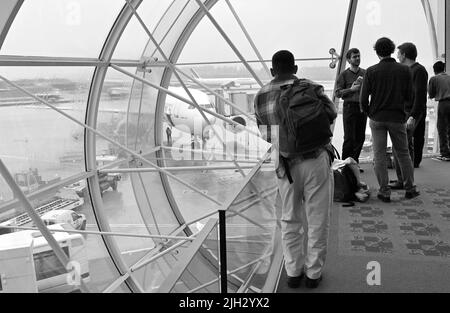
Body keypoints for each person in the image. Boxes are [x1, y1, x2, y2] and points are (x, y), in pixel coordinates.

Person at [254, 50, 336, 289]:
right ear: (296, 68)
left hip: (285, 165)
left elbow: (265, 135)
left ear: (272, 71)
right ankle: (313, 274)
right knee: (318, 218)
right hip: (316, 159)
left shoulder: (260, 96)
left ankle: (293, 271)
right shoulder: (311, 87)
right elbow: (331, 114)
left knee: (290, 219)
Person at [360, 37, 420, 202]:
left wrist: (369, 112)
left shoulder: (371, 71)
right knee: (403, 153)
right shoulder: (404, 70)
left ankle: (384, 191)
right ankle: (410, 188)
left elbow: (363, 98)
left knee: (378, 155)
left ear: (377, 52)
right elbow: (410, 96)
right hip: (397, 117)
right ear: (392, 50)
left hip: (377, 118)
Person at [390, 42, 429, 189]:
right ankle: (405, 179)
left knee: (400, 146)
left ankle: (404, 181)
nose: (397, 56)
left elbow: (420, 96)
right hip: (404, 112)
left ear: (404, 55)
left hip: (410, 113)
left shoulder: (418, 70)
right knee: (405, 146)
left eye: (399, 53)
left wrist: (413, 116)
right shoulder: (406, 70)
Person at [335, 48, 367, 167]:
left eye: (358, 56)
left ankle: (354, 162)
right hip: (349, 107)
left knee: (360, 137)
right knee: (349, 137)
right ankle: (346, 164)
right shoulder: (343, 75)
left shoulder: (365, 73)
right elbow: (337, 93)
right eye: (354, 57)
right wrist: (351, 89)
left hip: (362, 107)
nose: (357, 58)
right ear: (348, 60)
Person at [428, 61, 450, 161]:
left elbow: (431, 94)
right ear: (443, 69)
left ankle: (445, 153)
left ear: (434, 70)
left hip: (444, 103)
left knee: (442, 128)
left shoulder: (434, 79)